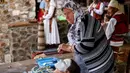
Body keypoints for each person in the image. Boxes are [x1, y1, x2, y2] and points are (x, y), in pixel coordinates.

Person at [58, 0, 114, 73]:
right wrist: (66, 46)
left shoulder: (84, 21)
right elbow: (79, 39)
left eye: (68, 13)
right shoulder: (77, 21)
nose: (66, 17)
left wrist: (68, 48)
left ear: (75, 10)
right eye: (64, 14)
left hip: (99, 62)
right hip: (89, 60)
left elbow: (85, 46)